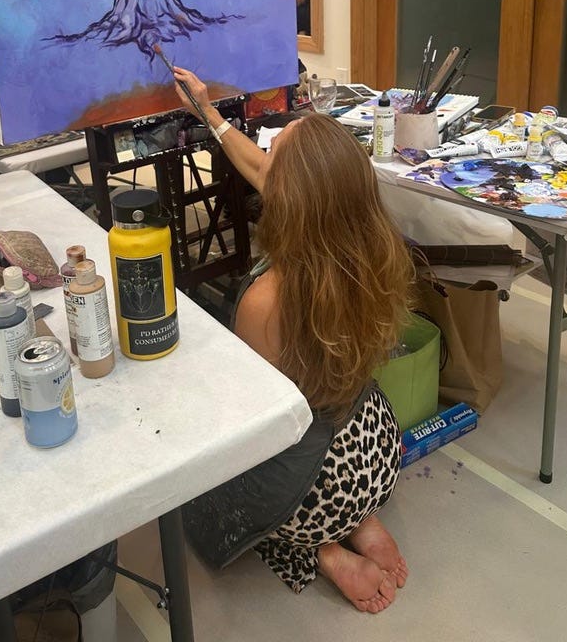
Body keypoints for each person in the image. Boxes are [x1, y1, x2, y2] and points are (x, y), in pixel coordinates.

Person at [173, 66, 414, 614]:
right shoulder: (371, 249)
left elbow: (256, 416)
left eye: (274, 149)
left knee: (199, 482)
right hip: (377, 449)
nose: (264, 153)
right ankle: (364, 519)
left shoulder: (267, 300)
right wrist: (207, 112)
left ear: (286, 197)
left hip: (313, 482)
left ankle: (322, 548)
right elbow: (262, 168)